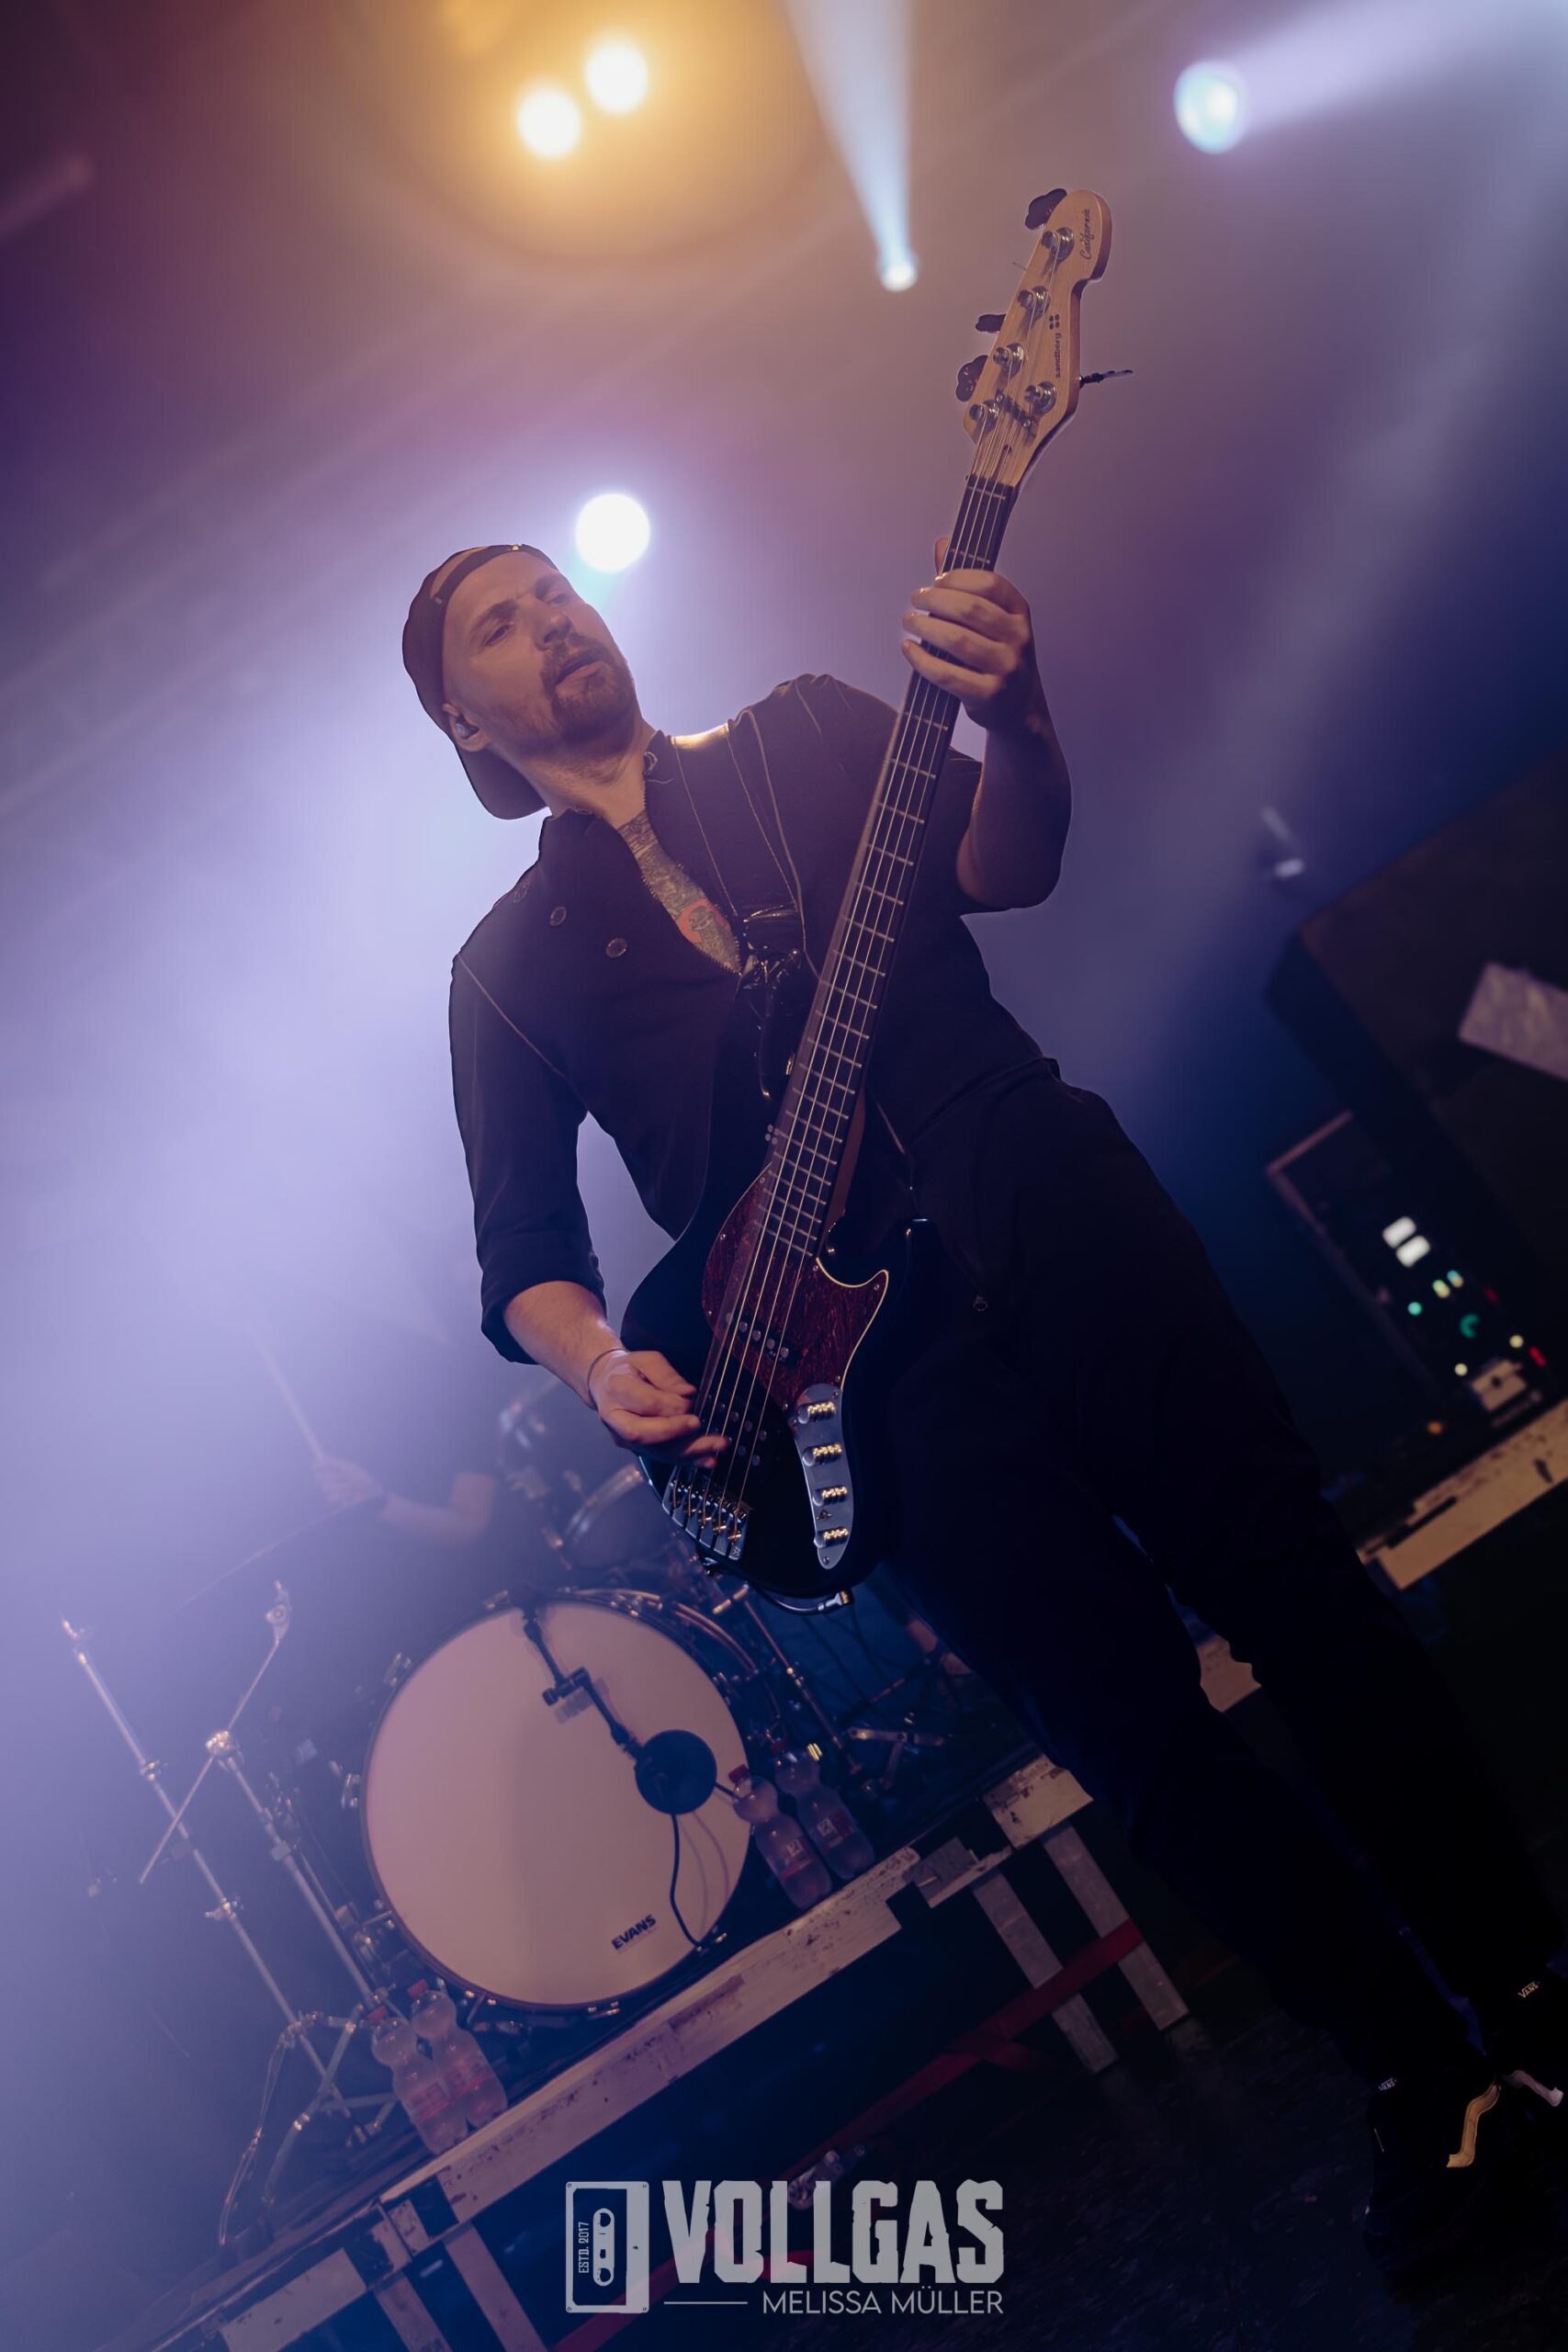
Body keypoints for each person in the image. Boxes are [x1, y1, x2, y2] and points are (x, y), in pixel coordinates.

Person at [403, 539, 1566, 2282]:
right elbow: (524, 1257)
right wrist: (600, 1364)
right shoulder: (507, 967)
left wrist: (1018, 717)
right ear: (461, 721)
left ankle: (1529, 1991)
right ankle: (1413, 2066)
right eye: (501, 623)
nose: (553, 616)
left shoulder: (805, 731)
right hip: (863, 1384)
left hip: (1050, 1205)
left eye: (555, 585)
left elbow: (1008, 862)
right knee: (1138, 1736)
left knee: (1307, 1599)